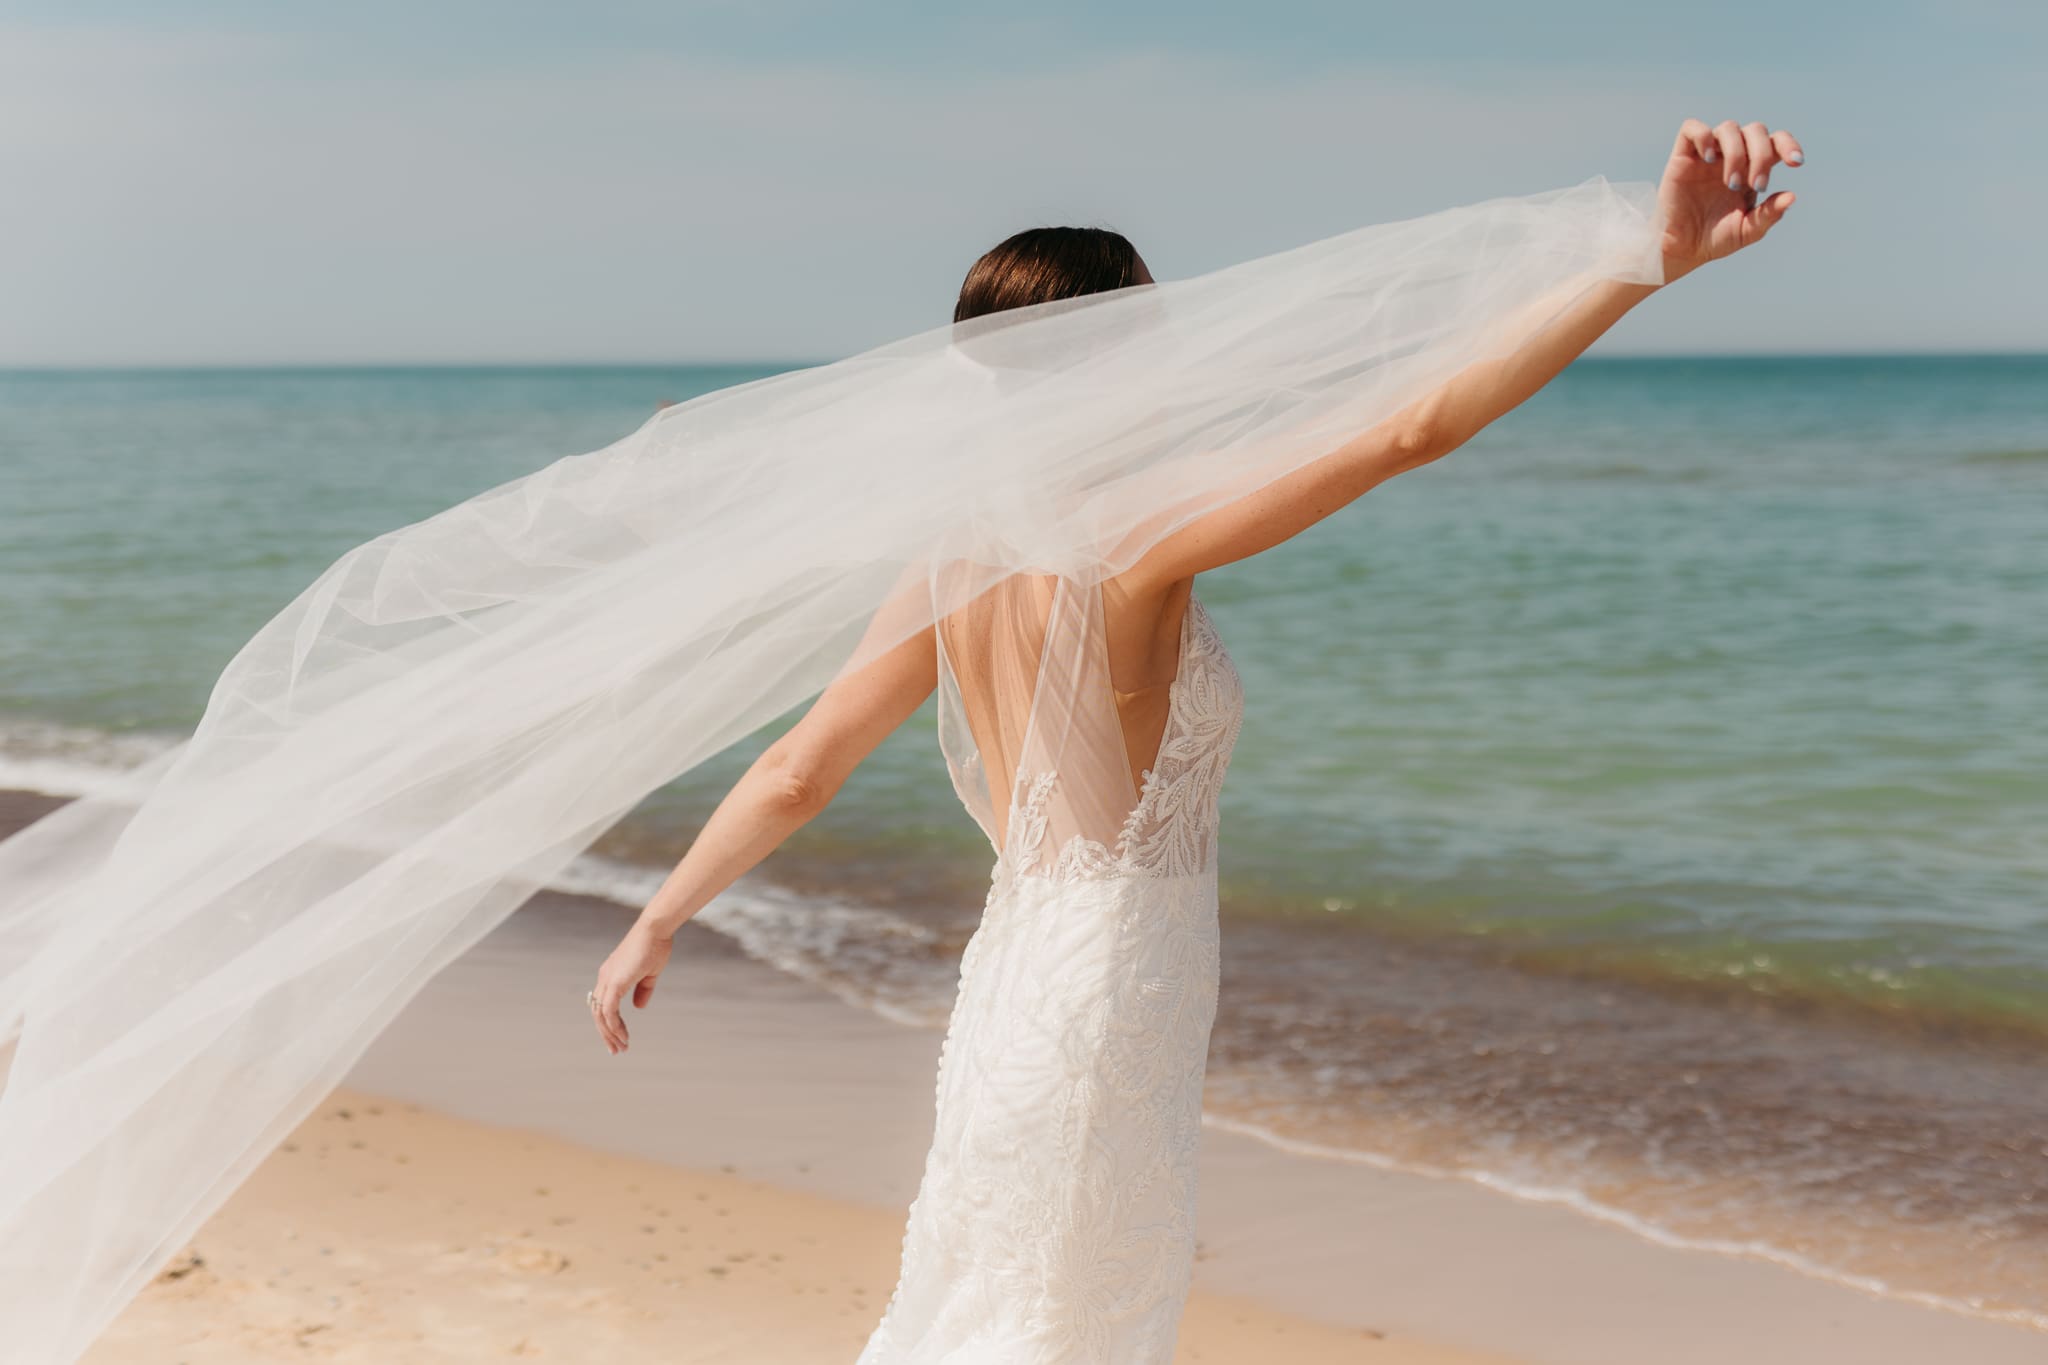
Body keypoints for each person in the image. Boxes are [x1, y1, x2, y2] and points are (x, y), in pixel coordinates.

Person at [587, 116, 1803, 1362]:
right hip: (1110, 989)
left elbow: (803, 766)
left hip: (1014, 982)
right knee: (1065, 1319)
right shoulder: (1129, 525)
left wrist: (659, 917)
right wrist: (1642, 266)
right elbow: (1408, 429)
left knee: (988, 1298)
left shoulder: (951, 552)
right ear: (1118, 348)